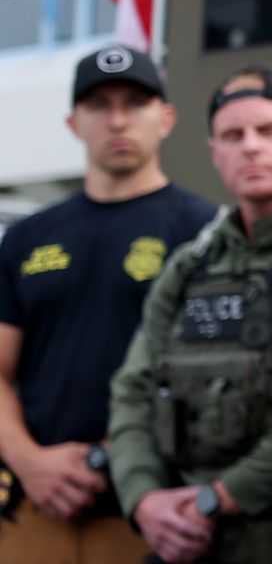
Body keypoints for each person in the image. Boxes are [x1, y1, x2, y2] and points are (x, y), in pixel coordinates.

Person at [108, 66, 272, 563]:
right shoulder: (191, 264)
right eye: (232, 135)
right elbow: (132, 390)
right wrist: (145, 498)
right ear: (214, 151)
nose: (250, 147)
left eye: (269, 131)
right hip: (186, 536)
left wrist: (221, 497)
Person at [0, 46, 216, 563]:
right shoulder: (28, 238)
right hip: (35, 509)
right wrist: (30, 462)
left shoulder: (205, 234)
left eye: (135, 102)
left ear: (165, 118)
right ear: (74, 122)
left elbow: (215, 382)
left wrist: (121, 458)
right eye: (98, 104)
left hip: (153, 513)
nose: (117, 119)